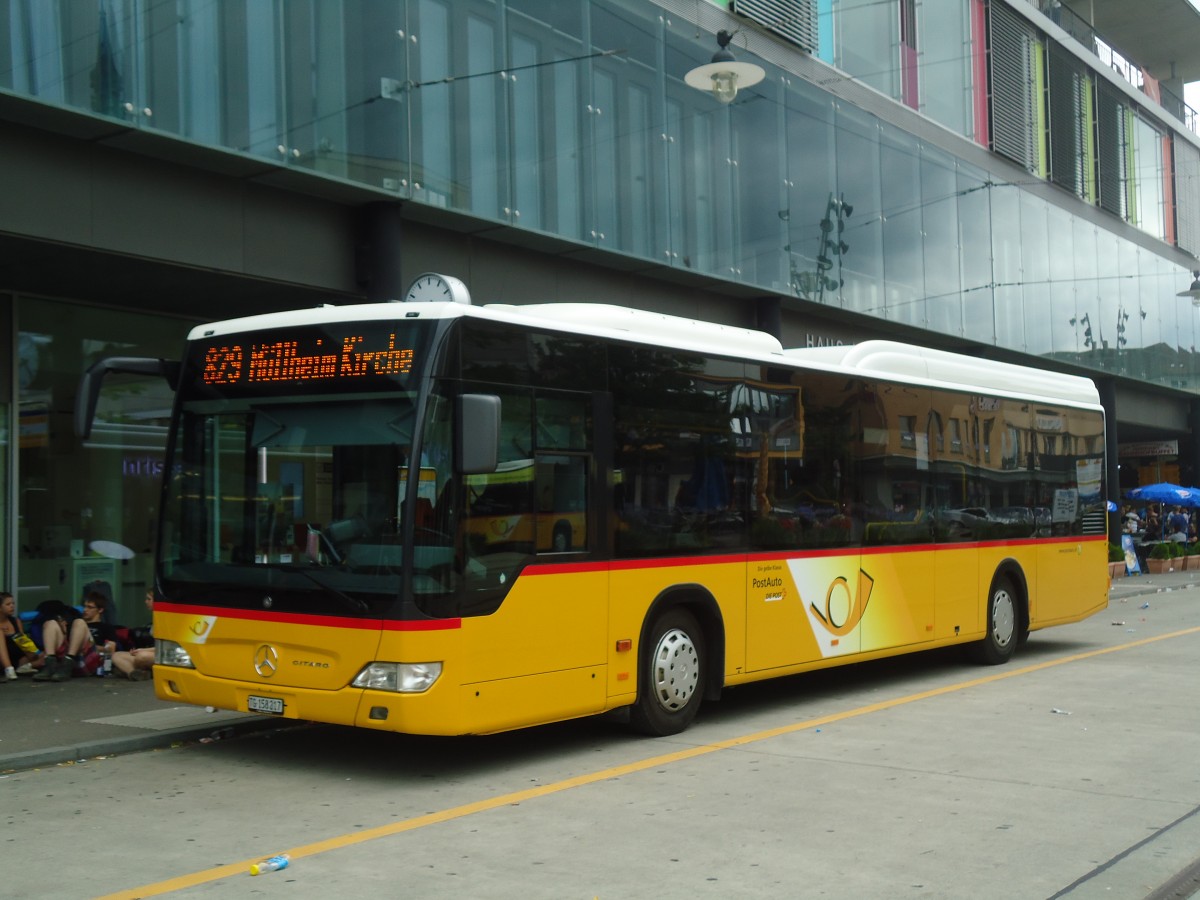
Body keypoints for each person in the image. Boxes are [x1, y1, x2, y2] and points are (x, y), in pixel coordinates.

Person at [32, 592, 119, 682]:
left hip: (87, 658)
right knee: (50, 623)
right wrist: (64, 632)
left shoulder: (106, 627)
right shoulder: (73, 623)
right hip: (65, 659)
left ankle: (69, 661)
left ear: (100, 610)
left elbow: (110, 650)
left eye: (90, 607)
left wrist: (90, 644)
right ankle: (49, 664)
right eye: (84, 606)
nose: (85, 610)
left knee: (79, 622)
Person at [111, 590, 155, 681]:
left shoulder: (166, 619)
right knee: (116, 655)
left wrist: (142, 650)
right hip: (149, 652)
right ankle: (134, 673)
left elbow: (164, 647)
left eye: (149, 599)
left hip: (161, 655)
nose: (145, 602)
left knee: (141, 656)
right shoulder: (155, 619)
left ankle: (128, 670)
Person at [0, 591, 43, 681]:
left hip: (18, 657)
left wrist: (35, 653)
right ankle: (9, 669)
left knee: (46, 656)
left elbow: (23, 642)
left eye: (13, 603)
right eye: (8, 604)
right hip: (3, 659)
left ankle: (25, 667)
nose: (12, 606)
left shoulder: (15, 621)